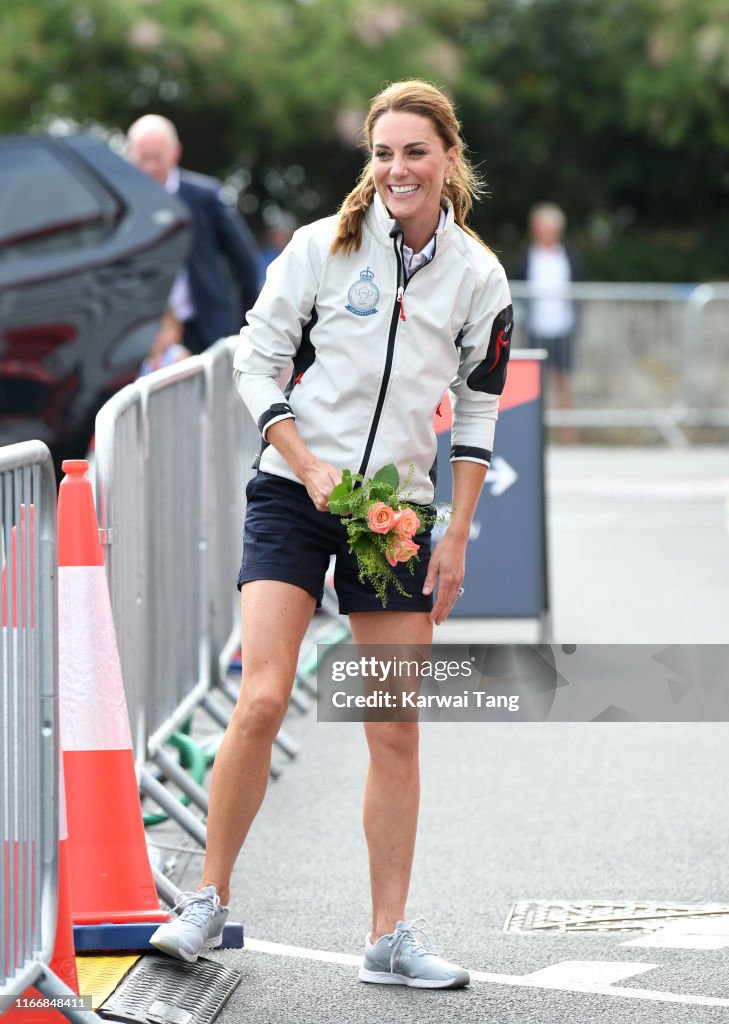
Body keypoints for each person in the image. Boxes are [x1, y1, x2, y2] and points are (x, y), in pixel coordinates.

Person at [149, 80, 513, 989]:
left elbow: (478, 408)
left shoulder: (478, 274)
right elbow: (254, 355)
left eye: (414, 152)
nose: (397, 168)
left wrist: (457, 530)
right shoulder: (322, 247)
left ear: (448, 160)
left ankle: (389, 937)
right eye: (383, 152)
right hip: (292, 489)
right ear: (371, 161)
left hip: (395, 512)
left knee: (392, 728)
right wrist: (304, 461)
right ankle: (207, 902)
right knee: (263, 696)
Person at [126, 114, 262, 354]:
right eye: (142, 159)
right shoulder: (125, 205)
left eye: (156, 158)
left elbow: (243, 258)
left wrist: (248, 324)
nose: (149, 168)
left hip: (206, 326)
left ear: (175, 153)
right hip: (151, 336)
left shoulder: (204, 196)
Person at [512, 202, 583, 442]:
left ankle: (568, 436)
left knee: (563, 381)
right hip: (535, 327)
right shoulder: (526, 256)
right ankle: (534, 435)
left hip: (562, 327)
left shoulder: (569, 256)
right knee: (534, 384)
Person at [138, 306, 191, 376]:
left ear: (178, 332)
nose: (162, 334)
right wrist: (153, 359)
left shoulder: (177, 352)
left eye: (168, 329)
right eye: (161, 329)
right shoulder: (151, 359)